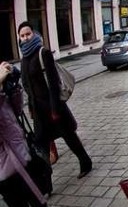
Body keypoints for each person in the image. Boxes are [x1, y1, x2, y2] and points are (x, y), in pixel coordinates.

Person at [0, 62, 77, 207]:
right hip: (6, 172)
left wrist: (12, 87)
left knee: (40, 204)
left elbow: (15, 110)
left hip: (23, 158)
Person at [17, 22, 92, 178]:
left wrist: (55, 109)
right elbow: (27, 86)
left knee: (69, 136)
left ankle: (85, 162)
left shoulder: (43, 53)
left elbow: (53, 84)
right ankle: (46, 183)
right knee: (42, 146)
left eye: (28, 34)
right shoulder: (23, 59)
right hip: (38, 111)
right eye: (22, 35)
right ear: (19, 37)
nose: (25, 38)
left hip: (53, 107)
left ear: (34, 34)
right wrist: (31, 107)